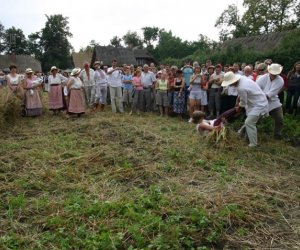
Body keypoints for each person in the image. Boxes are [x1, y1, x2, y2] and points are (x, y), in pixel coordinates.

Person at [221, 72, 269, 148]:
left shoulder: (241, 87)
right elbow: (241, 96)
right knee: (250, 121)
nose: (229, 85)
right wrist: (237, 102)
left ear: (233, 81)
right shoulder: (241, 78)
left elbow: (243, 103)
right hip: (256, 102)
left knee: (249, 122)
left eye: (229, 83)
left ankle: (253, 144)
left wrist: (237, 110)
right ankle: (241, 133)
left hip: (259, 104)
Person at [257, 63, 284, 139]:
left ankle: (277, 135)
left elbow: (271, 94)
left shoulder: (280, 80)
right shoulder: (261, 78)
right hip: (260, 100)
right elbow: (256, 89)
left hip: (273, 101)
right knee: (254, 118)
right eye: (272, 73)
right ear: (269, 71)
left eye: (276, 74)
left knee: (279, 119)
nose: (273, 75)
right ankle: (242, 132)